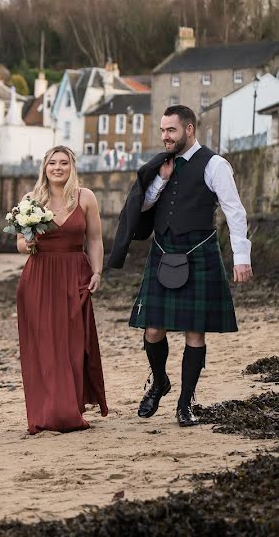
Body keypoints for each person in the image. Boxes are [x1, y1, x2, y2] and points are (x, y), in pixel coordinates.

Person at [108, 105, 253, 427]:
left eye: (171, 130)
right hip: (163, 250)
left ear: (189, 129)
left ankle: (185, 403)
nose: (165, 137)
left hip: (199, 251)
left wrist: (241, 257)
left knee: (194, 333)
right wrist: (160, 181)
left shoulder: (215, 164)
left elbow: (234, 210)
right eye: (162, 131)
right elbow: (141, 206)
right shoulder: (161, 165)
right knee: (153, 329)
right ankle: (160, 381)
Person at [15, 146, 108, 434]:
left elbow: (94, 239)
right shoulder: (31, 200)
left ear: (72, 166)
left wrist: (97, 271)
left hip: (75, 275)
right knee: (44, 346)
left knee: (72, 345)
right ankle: (47, 412)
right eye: (52, 163)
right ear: (44, 167)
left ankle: (69, 410)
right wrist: (29, 242)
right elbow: (19, 244)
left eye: (63, 163)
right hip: (39, 277)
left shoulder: (86, 197)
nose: (58, 167)